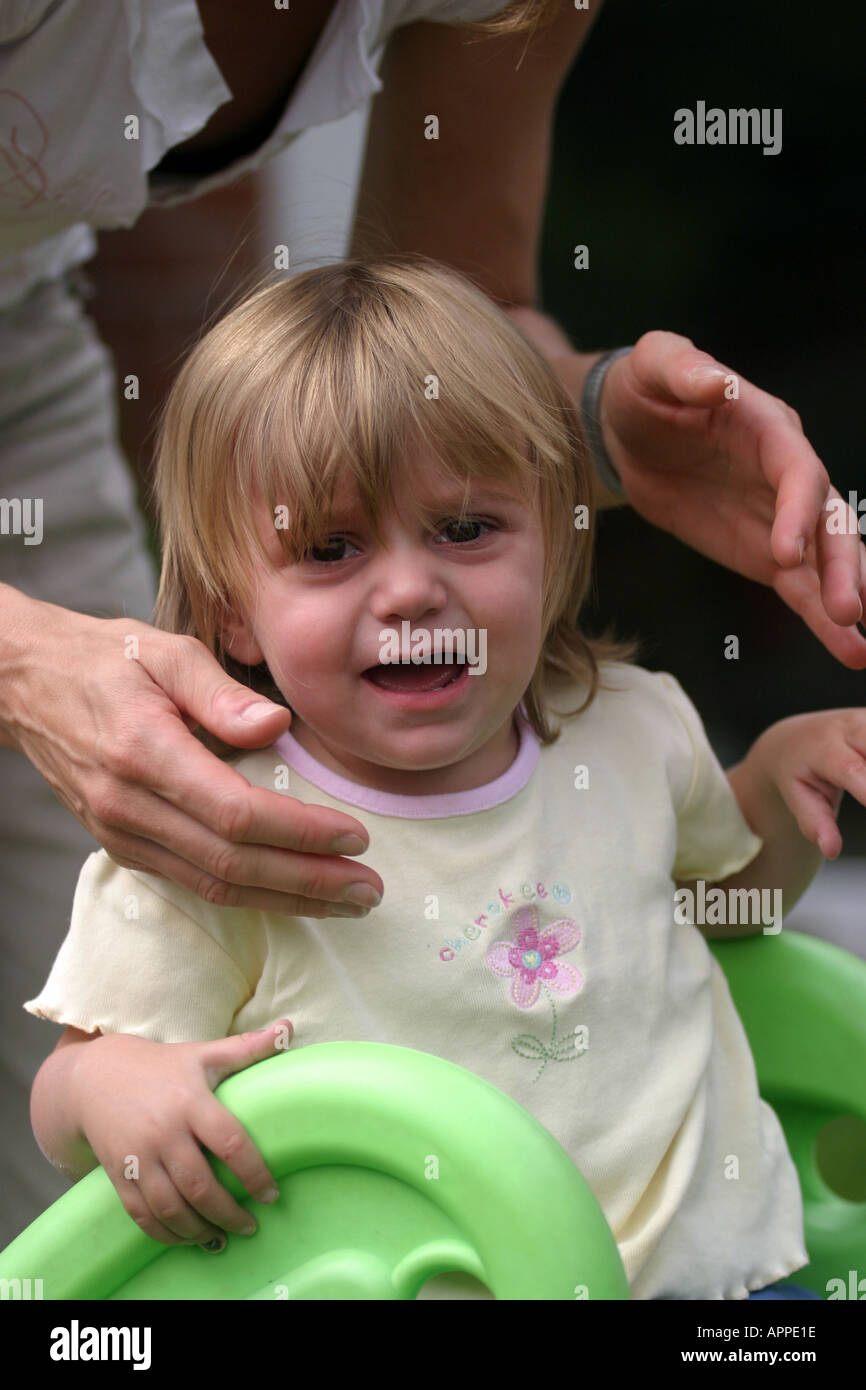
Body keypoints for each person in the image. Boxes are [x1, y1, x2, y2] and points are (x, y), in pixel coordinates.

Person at [1, 0, 864, 1242]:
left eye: (464, 529)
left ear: (557, 534)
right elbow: (72, 1083)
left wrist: (776, 795)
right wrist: (115, 1089)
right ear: (232, 612)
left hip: (711, 1288)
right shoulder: (216, 825)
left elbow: (711, 921)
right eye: (330, 548)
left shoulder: (630, 734)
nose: (410, 589)